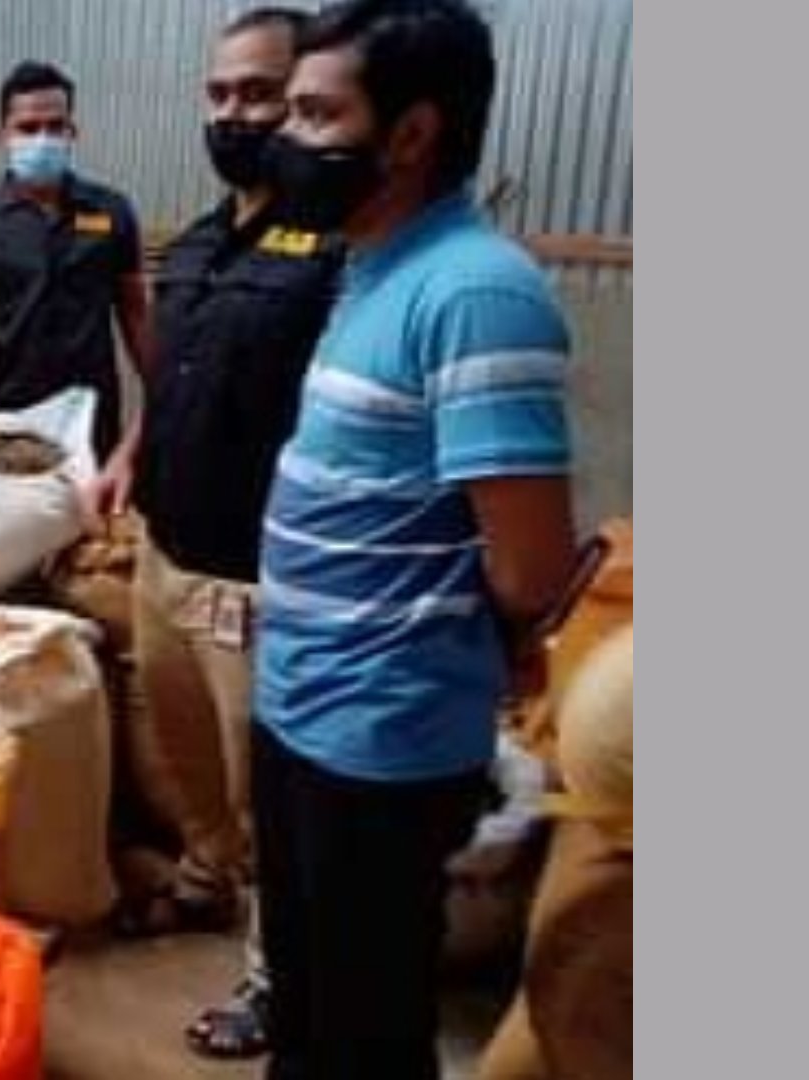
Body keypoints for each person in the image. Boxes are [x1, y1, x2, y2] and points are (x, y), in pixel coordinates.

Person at [249, 1, 582, 1076]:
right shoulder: (372, 269)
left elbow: (529, 567)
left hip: (382, 737)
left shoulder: (476, 291)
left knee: (366, 1030)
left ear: (410, 134)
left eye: (315, 114)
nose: (285, 138)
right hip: (302, 707)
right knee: (305, 1002)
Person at [89, 6, 341, 1062]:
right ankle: (201, 882)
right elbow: (177, 377)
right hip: (165, 548)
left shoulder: (337, 250)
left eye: (262, 94)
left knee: (265, 793)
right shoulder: (196, 241)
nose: (236, 114)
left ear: (307, 103)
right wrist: (130, 452)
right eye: (221, 93)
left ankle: (278, 977)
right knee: (184, 752)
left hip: (255, 575)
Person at [0, 62, 151, 458]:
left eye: (56, 127)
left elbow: (135, 310)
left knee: (90, 500)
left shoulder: (112, 213)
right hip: (3, 416)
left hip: (89, 418)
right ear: (2, 136)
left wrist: (161, 389)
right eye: (28, 128)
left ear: (73, 132)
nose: (43, 139)